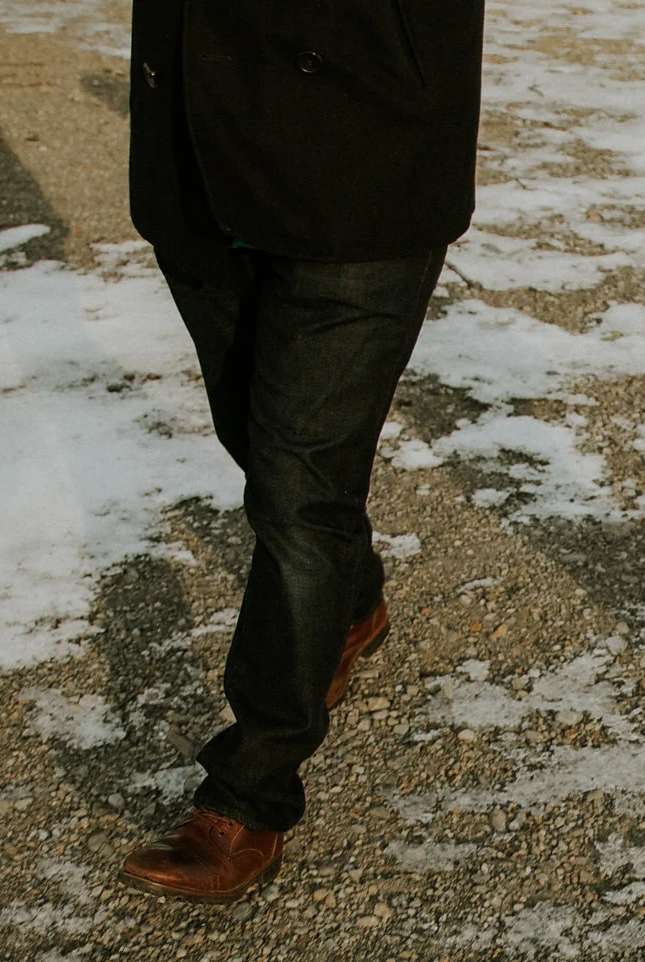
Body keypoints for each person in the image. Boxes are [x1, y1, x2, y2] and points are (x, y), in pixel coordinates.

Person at [117, 0, 488, 903]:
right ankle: (350, 602)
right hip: (197, 154)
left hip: (367, 150)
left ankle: (250, 790)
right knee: (259, 440)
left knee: (297, 491)